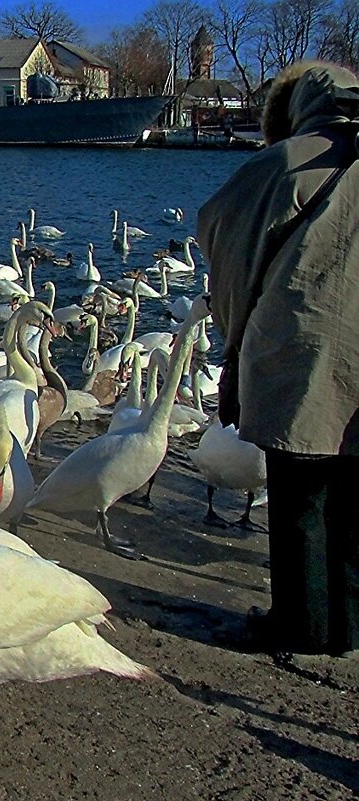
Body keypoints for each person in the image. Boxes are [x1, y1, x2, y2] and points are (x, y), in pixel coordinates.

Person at [198, 61, 359, 657]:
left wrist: (235, 342)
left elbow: (225, 236)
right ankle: (351, 627)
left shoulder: (285, 163)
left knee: (303, 495)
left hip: (306, 350)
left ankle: (303, 626)